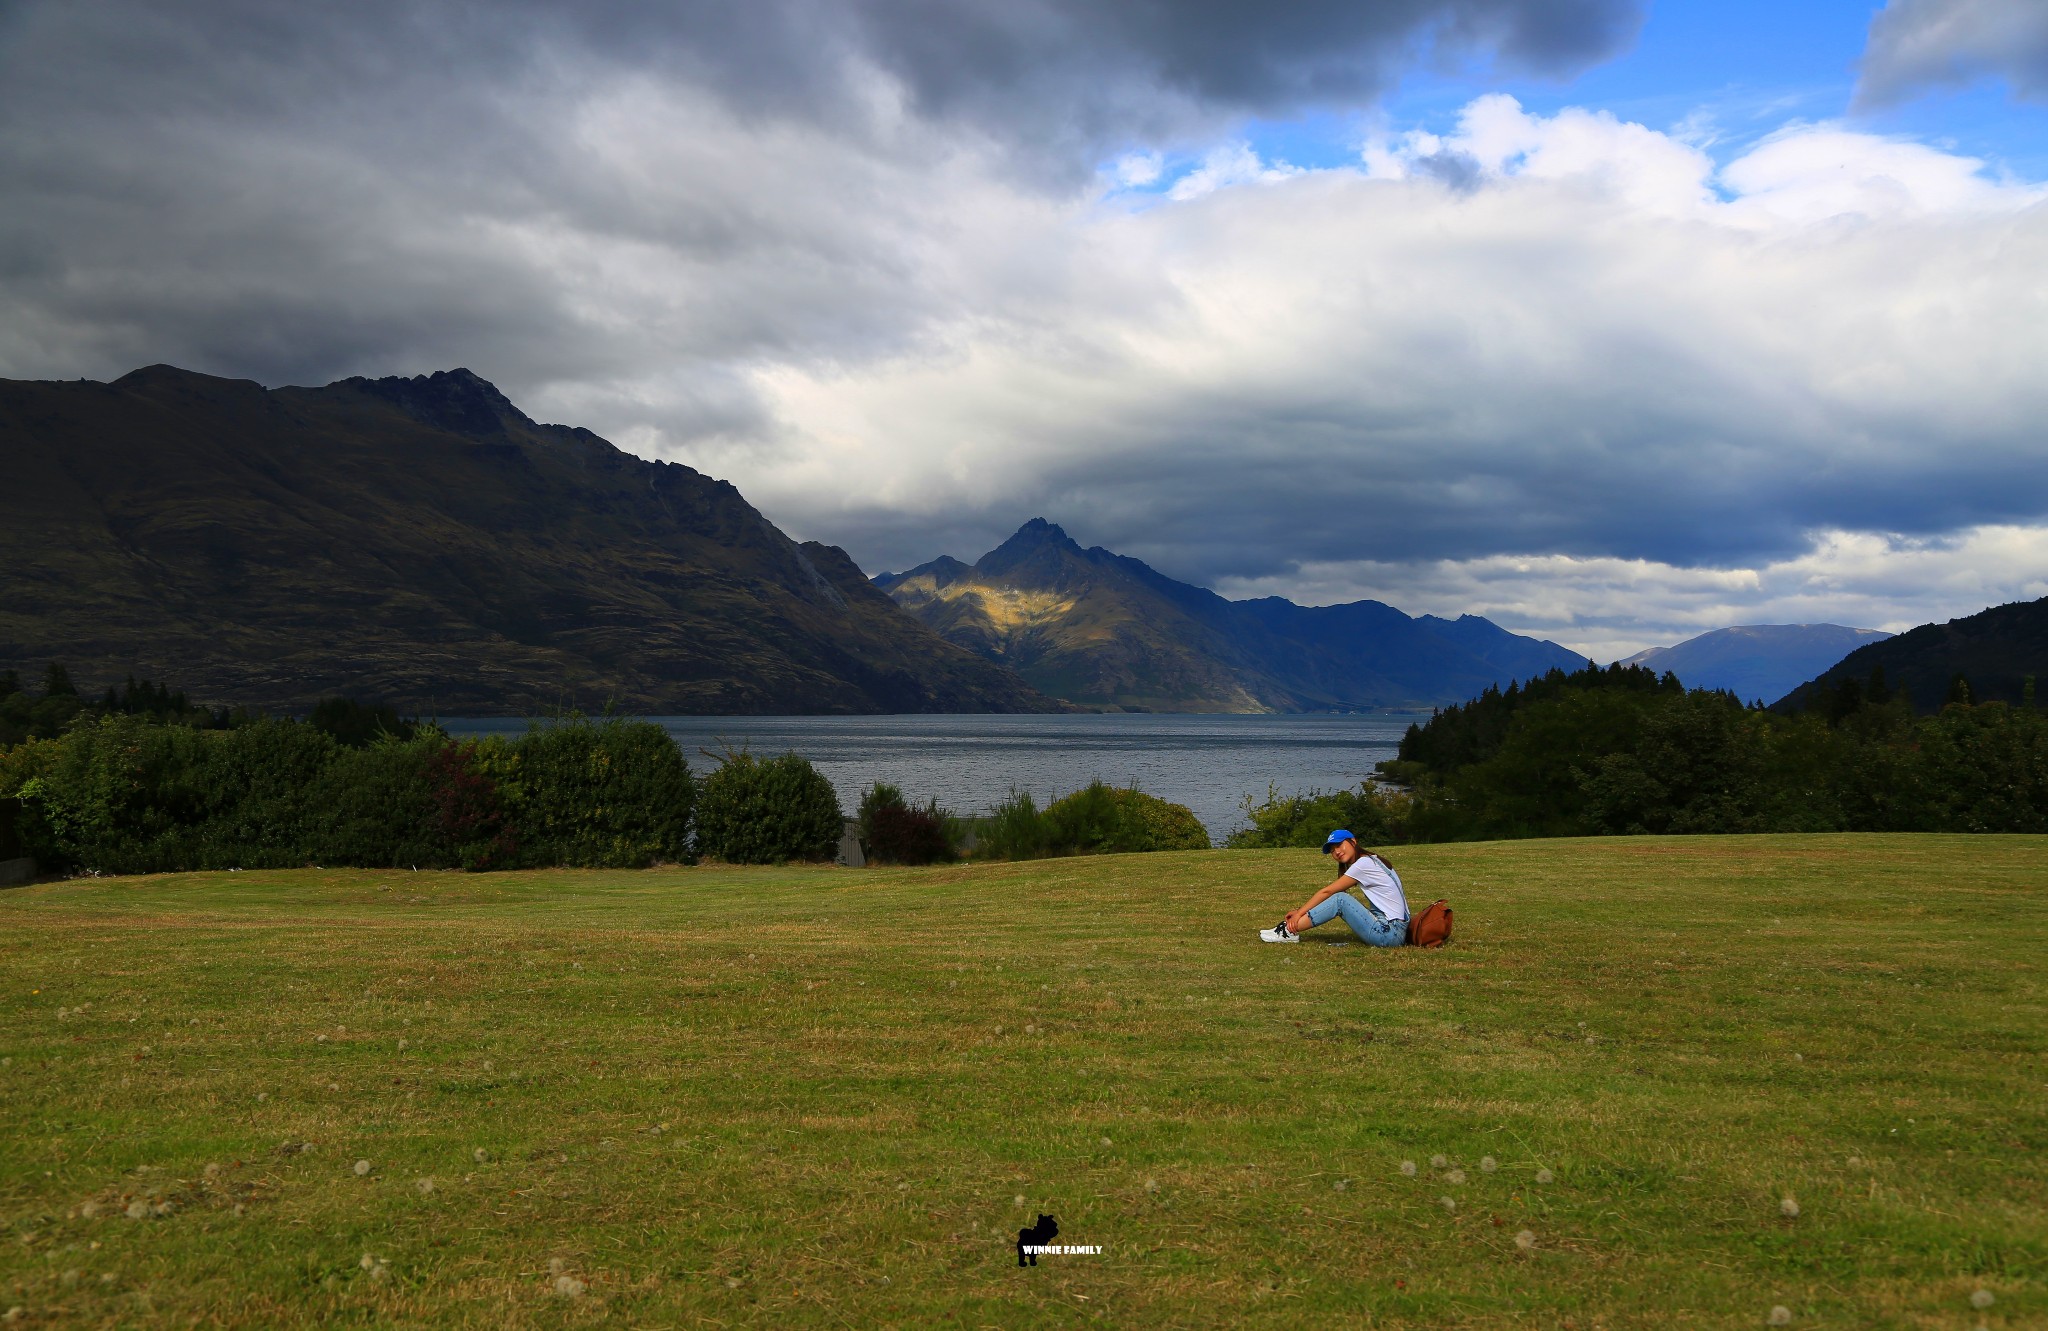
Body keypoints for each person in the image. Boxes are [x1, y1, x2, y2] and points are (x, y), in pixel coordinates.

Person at [1260, 828, 1408, 945]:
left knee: (1340, 900)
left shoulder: (1363, 864)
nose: (1336, 852)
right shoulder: (1374, 860)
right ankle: (1289, 929)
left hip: (1389, 934)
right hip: (1396, 930)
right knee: (1341, 899)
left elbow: (1327, 891)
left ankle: (1289, 931)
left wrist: (1299, 913)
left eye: (1339, 845)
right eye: (1332, 850)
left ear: (1353, 841)